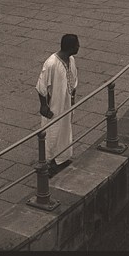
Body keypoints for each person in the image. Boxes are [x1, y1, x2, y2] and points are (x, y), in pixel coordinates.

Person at [36, 34, 79, 176]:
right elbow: (41, 86)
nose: (78, 47)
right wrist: (44, 106)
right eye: (77, 45)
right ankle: (51, 162)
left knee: (65, 131)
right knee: (53, 132)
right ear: (70, 47)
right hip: (55, 105)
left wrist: (72, 98)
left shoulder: (71, 60)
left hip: (66, 104)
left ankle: (63, 158)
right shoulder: (51, 63)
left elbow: (73, 80)